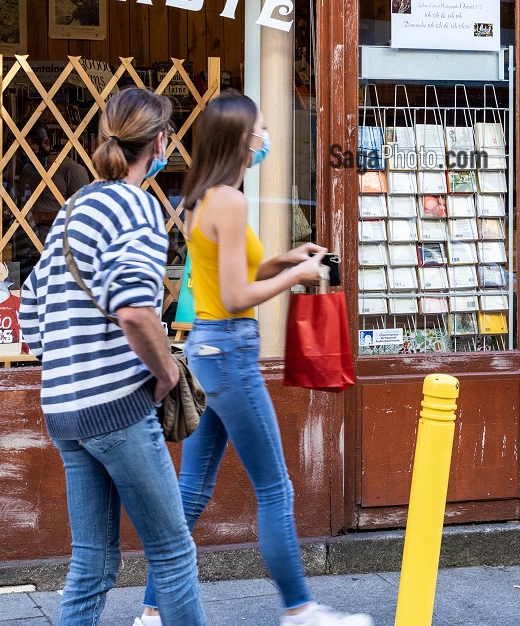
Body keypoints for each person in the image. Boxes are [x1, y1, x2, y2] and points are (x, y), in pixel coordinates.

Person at [136, 90, 371, 626]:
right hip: (232, 354)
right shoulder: (231, 200)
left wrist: (285, 258)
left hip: (207, 353)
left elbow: (229, 279)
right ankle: (299, 610)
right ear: (241, 138)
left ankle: (150, 612)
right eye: (261, 129)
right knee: (275, 487)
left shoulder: (203, 198)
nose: (266, 138)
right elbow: (238, 297)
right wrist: (299, 276)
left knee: (191, 492)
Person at [18, 88, 207, 626]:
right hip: (118, 410)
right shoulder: (138, 206)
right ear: (160, 142)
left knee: (93, 564)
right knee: (173, 554)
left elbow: (31, 306)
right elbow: (133, 310)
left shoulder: (75, 208)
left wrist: (72, 362)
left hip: (65, 411)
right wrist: (167, 371)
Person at [20, 123, 92, 243]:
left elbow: (80, 212)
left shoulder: (73, 170)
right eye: (23, 152)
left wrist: (40, 217)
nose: (27, 156)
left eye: (31, 151)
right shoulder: (26, 171)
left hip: (56, 248)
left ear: (46, 143)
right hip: (23, 248)